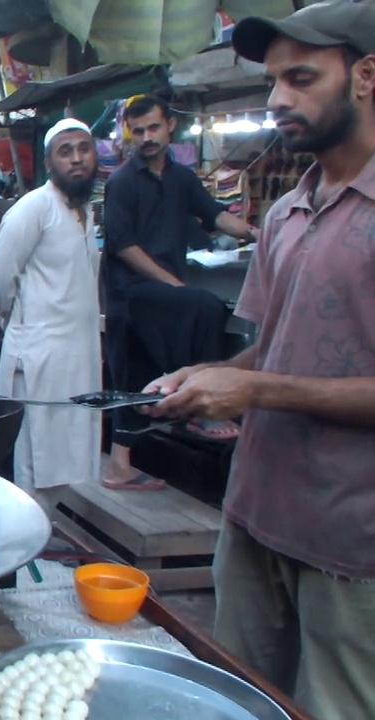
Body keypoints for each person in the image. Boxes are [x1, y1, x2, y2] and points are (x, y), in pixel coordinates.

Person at [144, 7, 375, 718]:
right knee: (236, 698)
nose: (276, 100)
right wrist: (204, 381)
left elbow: (267, 378)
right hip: (253, 514)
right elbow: (273, 348)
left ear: (366, 76)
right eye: (274, 80)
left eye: (301, 78)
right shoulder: (286, 213)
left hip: (352, 541)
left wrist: (252, 386)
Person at [101, 94, 259, 490]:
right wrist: (171, 282)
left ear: (170, 125)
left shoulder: (183, 178)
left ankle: (126, 463)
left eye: (153, 128)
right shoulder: (121, 182)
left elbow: (217, 215)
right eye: (138, 131)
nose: (147, 137)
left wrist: (258, 233)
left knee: (147, 370)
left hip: (163, 295)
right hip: (131, 294)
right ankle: (200, 405)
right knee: (203, 308)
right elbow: (124, 246)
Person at [0, 119, 102, 513]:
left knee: (70, 444)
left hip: (79, 353)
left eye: (84, 149)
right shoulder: (34, 208)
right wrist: (5, 318)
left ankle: (48, 531)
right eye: (66, 152)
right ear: (50, 163)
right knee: (36, 453)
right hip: (39, 354)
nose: (77, 159)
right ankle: (28, 538)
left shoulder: (86, 211)